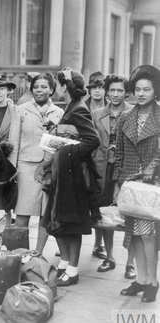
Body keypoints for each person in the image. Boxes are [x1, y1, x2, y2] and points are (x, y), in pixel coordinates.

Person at [42, 68, 100, 287]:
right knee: (60, 219)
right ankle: (65, 264)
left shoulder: (78, 109)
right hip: (64, 171)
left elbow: (92, 140)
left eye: (58, 84)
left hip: (73, 174)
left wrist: (68, 149)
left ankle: (73, 271)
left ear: (65, 87)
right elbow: (73, 134)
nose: (56, 88)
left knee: (71, 221)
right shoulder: (71, 107)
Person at [115, 65, 160, 303]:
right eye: (137, 89)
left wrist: (149, 173)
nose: (141, 93)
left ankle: (152, 281)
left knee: (149, 235)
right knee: (134, 235)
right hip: (129, 186)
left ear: (156, 91)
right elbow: (119, 154)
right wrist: (116, 184)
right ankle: (141, 279)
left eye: (147, 89)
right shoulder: (125, 118)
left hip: (153, 185)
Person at [8, 73, 64, 255]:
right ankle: (19, 253)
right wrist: (13, 168)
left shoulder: (59, 112)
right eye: (36, 87)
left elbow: (60, 141)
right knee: (22, 212)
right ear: (31, 89)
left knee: (45, 214)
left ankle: (38, 253)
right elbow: (13, 140)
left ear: (52, 90)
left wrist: (52, 162)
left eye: (44, 87)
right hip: (26, 166)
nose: (39, 90)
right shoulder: (20, 109)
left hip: (50, 168)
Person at [92, 74, 134, 274]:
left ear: (127, 93)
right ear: (106, 92)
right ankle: (109, 257)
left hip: (128, 170)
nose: (116, 94)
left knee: (132, 216)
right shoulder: (97, 113)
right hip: (103, 171)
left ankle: (131, 263)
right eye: (112, 90)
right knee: (104, 214)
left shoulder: (134, 113)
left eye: (120, 90)